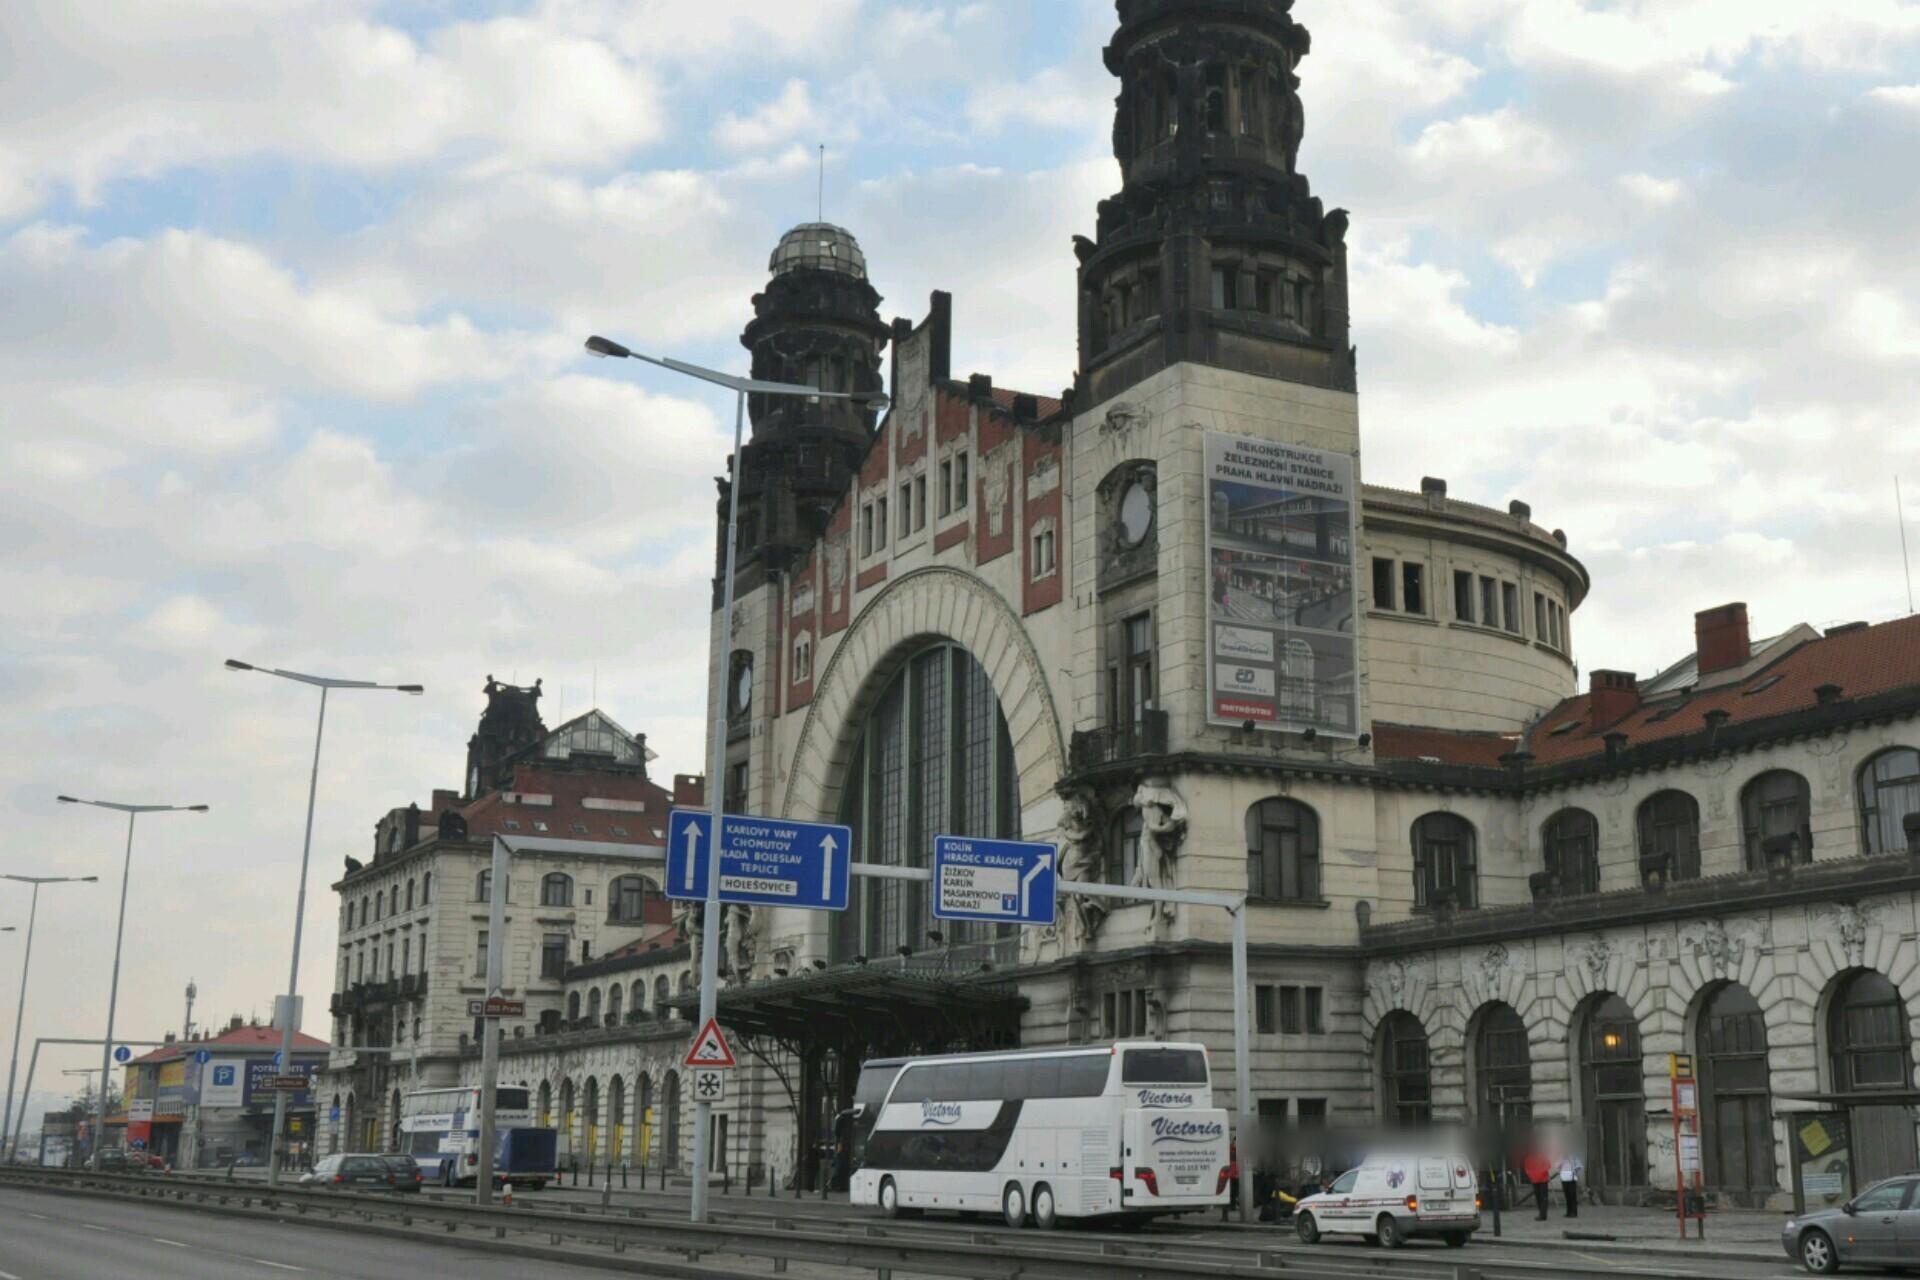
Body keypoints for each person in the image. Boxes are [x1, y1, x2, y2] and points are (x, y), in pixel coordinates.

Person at [1522, 1148, 1552, 1220]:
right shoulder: (1528, 1158)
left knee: (1543, 1198)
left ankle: (1543, 1215)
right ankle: (1541, 1213)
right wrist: (1531, 1175)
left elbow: (1548, 1165)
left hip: (1543, 1180)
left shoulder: (1543, 1156)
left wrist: (1540, 1172)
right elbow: (1527, 1168)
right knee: (1538, 1198)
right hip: (1535, 1180)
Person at [1559, 1152, 1582, 1218]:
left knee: (1572, 1196)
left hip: (1571, 1179)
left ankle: (1574, 1213)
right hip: (1564, 1179)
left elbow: (1579, 1166)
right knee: (1567, 1196)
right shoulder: (1561, 1159)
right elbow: (1558, 1167)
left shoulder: (1574, 1157)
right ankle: (1568, 1212)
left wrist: (1574, 1172)